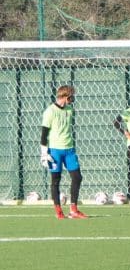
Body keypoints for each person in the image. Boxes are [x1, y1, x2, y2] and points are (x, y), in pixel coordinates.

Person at [40, 85, 88, 219]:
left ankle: (73, 209)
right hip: (55, 151)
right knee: (55, 180)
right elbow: (44, 134)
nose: (73, 99)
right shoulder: (49, 111)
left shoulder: (70, 110)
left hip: (69, 150)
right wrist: (44, 153)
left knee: (77, 177)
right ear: (66, 97)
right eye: (72, 97)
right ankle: (59, 211)